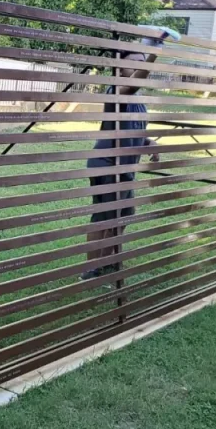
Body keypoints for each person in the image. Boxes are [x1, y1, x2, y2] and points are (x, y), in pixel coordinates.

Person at [81, 49, 160, 280]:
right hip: (106, 163)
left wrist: (149, 142)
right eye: (133, 62)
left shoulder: (137, 100)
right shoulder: (117, 90)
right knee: (104, 216)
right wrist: (154, 55)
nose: (137, 66)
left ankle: (105, 259)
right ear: (118, 67)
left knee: (126, 212)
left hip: (124, 166)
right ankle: (90, 268)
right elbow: (133, 84)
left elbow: (132, 128)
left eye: (142, 62)